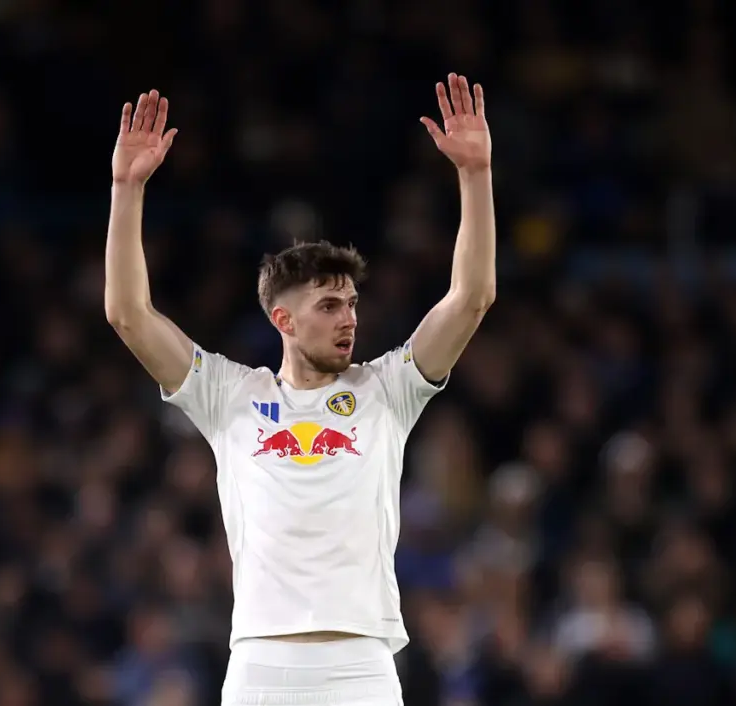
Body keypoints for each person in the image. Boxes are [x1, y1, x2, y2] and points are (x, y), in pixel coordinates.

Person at [105, 73, 496, 706]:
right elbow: (128, 314)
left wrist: (475, 176)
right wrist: (127, 189)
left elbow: (471, 298)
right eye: (330, 304)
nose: (350, 318)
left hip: (361, 666)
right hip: (262, 666)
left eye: (352, 303)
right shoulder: (228, 396)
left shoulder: (387, 390)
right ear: (283, 320)